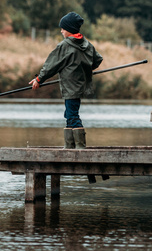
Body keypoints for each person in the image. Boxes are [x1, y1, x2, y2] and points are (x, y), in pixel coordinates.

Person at [30, 12, 103, 149]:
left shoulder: (64, 46)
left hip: (70, 87)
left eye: (63, 28)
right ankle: (69, 147)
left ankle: (80, 148)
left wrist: (39, 79)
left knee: (73, 115)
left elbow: (50, 66)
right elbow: (97, 59)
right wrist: (86, 68)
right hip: (80, 86)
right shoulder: (87, 44)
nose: (61, 31)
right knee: (69, 114)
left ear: (69, 29)